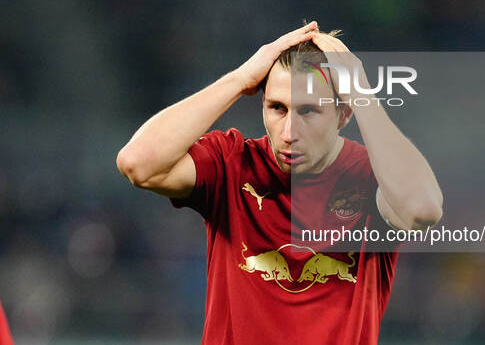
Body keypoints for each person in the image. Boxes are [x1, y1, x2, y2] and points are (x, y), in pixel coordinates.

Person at [117, 21, 443, 344]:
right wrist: (241, 78)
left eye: (309, 111)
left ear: (344, 115)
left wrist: (361, 93)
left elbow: (422, 209)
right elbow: (139, 164)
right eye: (277, 108)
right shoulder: (231, 162)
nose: (289, 133)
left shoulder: (373, 177)